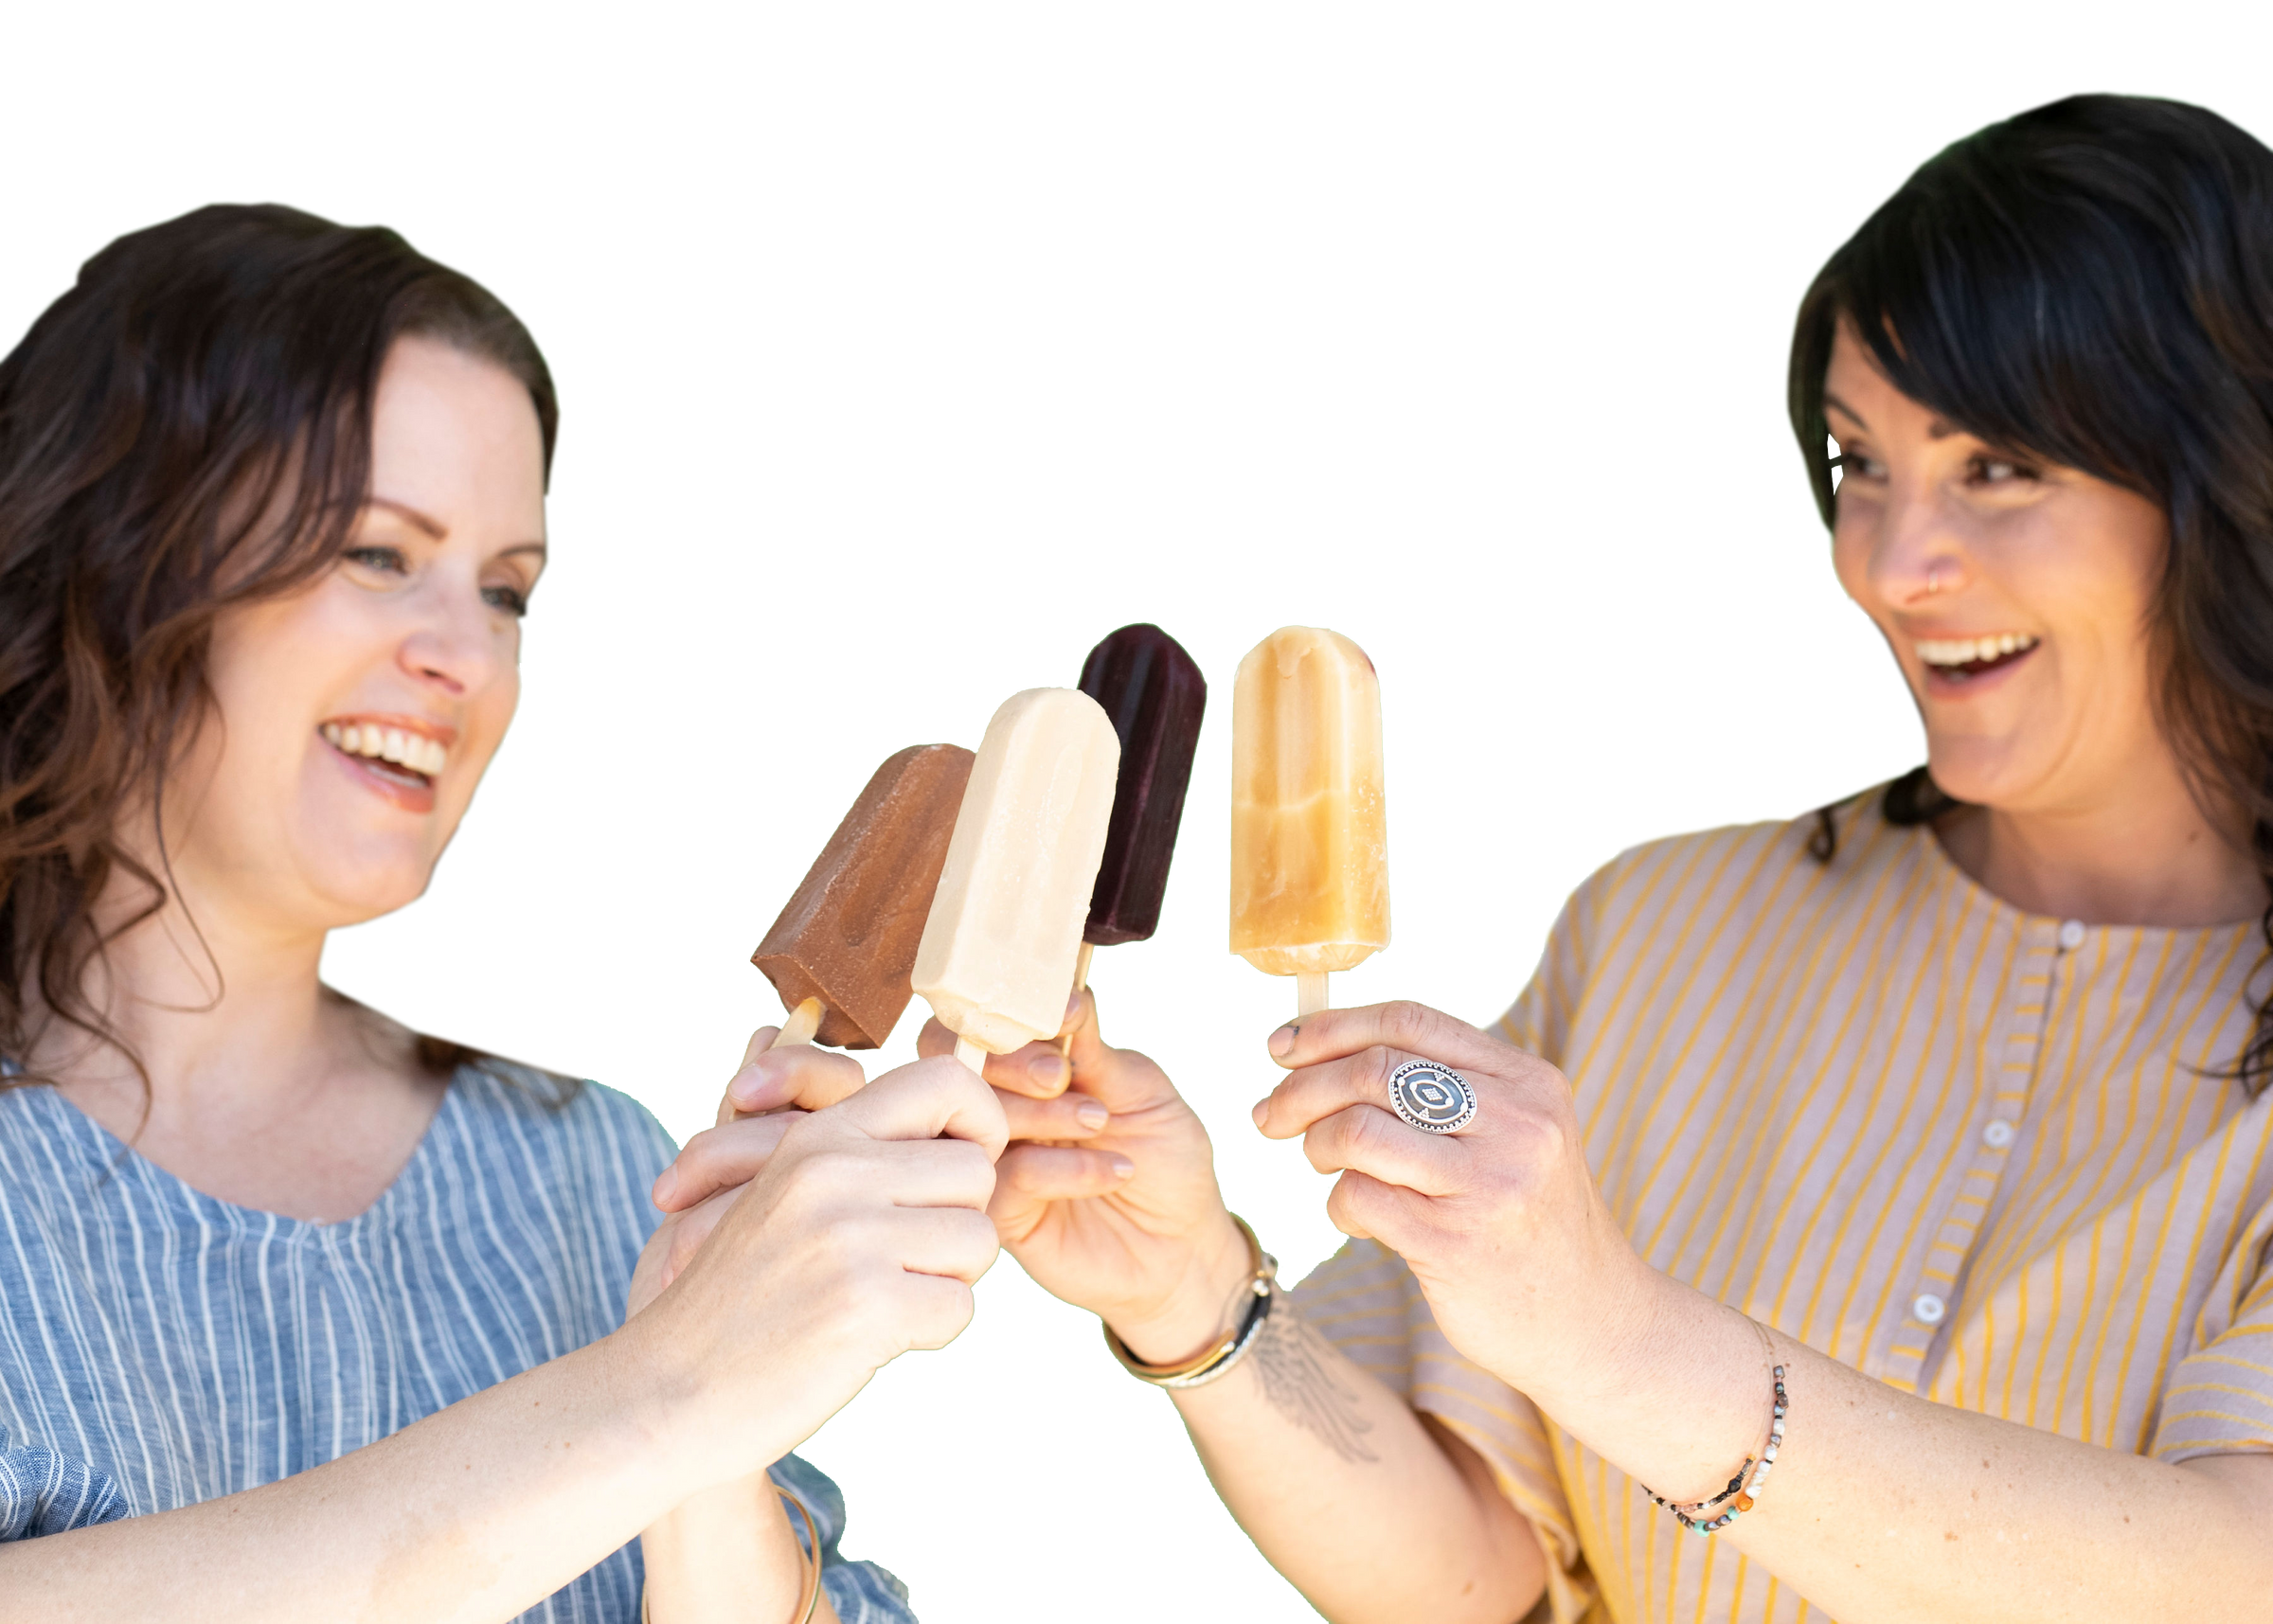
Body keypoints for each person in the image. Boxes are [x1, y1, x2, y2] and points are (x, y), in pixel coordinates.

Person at [664, 88, 2273, 1621]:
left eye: (1997, 467)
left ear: (2232, 470)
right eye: (1862, 461)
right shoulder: (1663, 923)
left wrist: (1615, 1334)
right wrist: (1198, 1295)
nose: (1893, 563)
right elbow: (1477, 1572)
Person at [0, 200, 999, 1622]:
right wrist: (667, 1387)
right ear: (118, 559)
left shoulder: (595, 1172)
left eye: (505, 592)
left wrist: (714, 1443)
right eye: (377, 553)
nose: (465, 657)